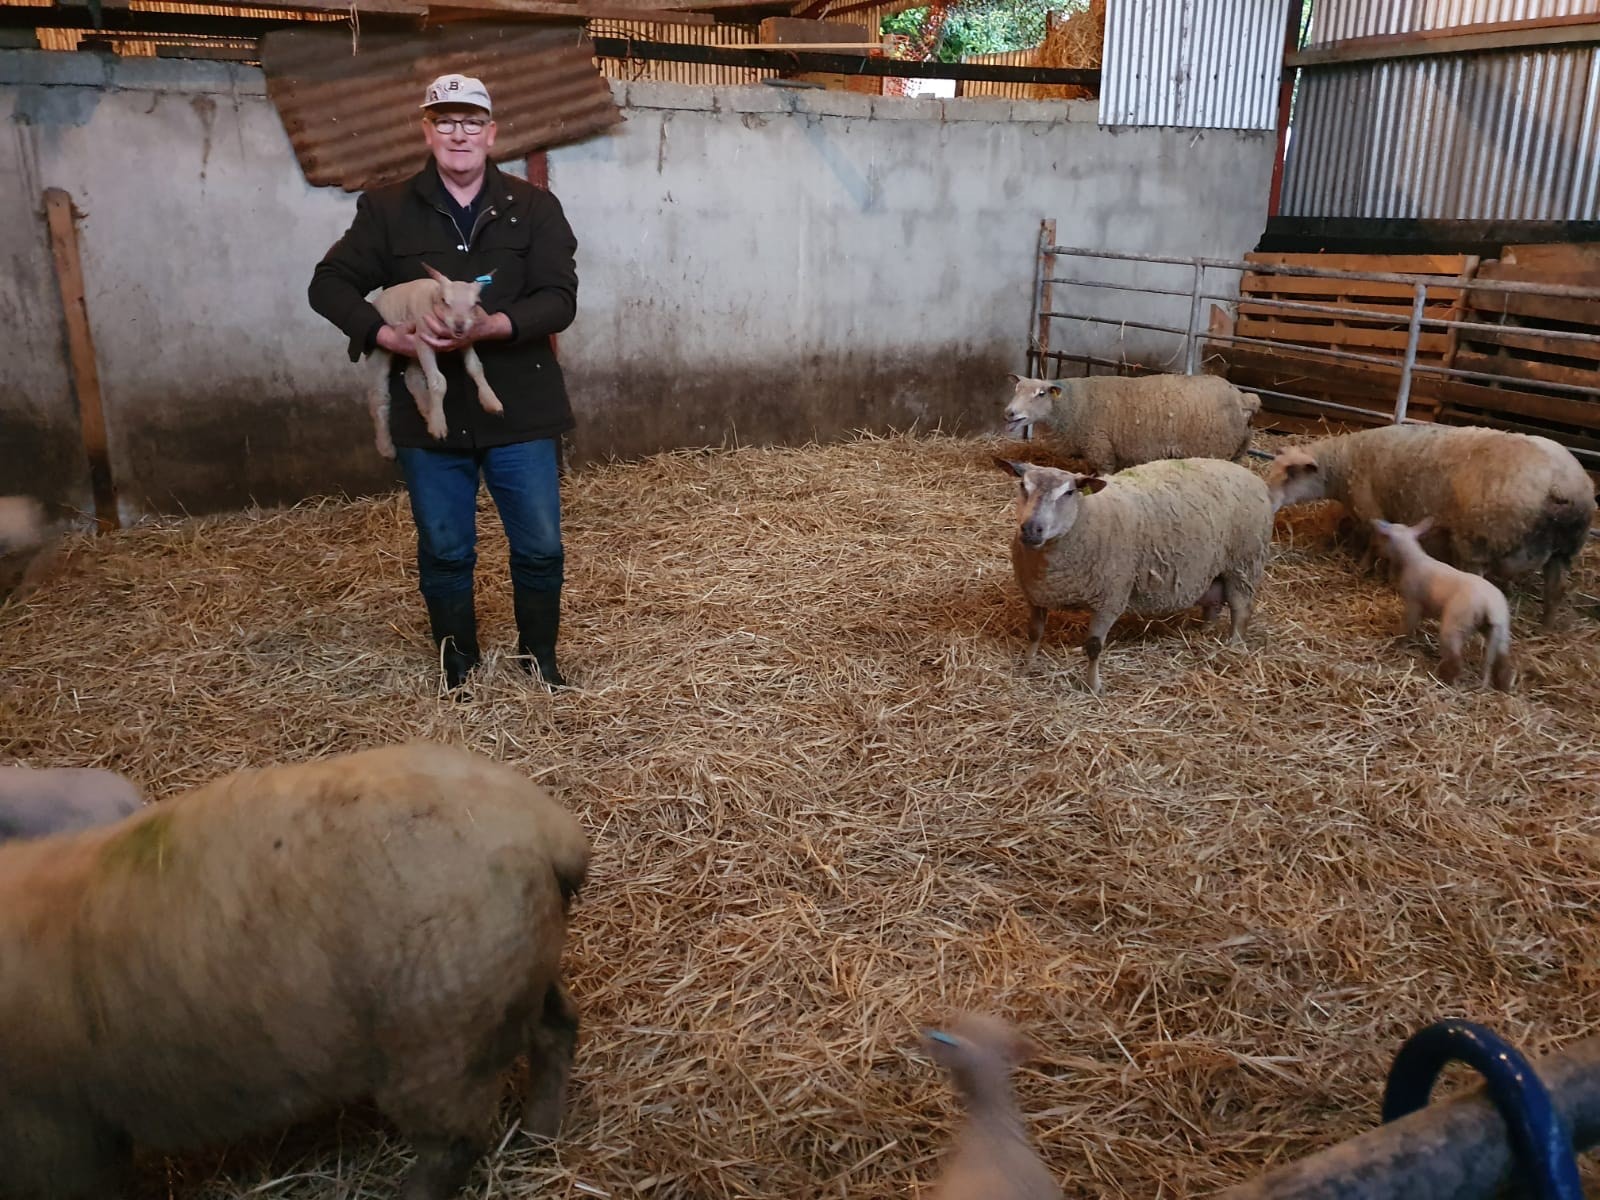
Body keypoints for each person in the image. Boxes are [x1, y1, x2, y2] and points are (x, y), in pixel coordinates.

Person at [309, 73, 578, 692]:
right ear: (427, 130)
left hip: (519, 402)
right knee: (447, 549)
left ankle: (540, 660)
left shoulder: (532, 206)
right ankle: (458, 665)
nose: (460, 133)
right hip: (430, 414)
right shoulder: (387, 208)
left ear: (492, 132)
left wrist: (490, 329)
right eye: (446, 121)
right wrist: (388, 337)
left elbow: (559, 299)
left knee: (539, 546)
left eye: (472, 121)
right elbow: (328, 284)